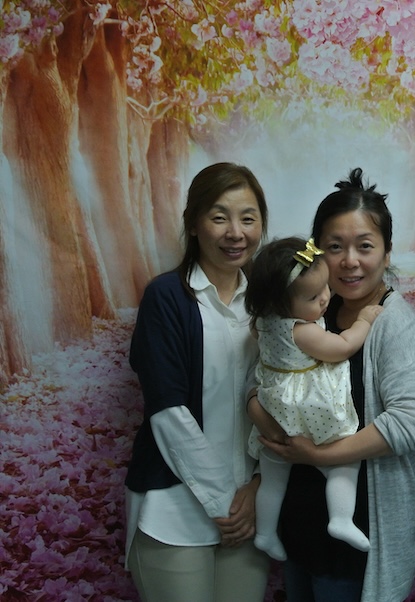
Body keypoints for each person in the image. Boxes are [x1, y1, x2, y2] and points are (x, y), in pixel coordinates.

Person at [248, 168, 415, 602]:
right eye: (334, 247)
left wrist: (317, 455)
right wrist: (262, 414)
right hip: (299, 523)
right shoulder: (307, 310)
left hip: (360, 535)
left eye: (365, 246)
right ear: (314, 254)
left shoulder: (391, 322)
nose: (350, 261)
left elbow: (411, 423)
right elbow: (263, 384)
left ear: (386, 252)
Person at [124, 163, 271, 602]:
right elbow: (168, 412)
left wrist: (257, 488)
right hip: (174, 511)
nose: (235, 233)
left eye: (248, 218)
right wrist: (224, 502)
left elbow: (286, 405)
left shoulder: (270, 304)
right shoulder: (167, 297)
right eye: (219, 217)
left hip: (248, 509)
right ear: (193, 224)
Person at [244, 236, 383, 560]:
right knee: (343, 461)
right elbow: (342, 347)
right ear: (280, 304)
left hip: (271, 406)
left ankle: (265, 533)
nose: (324, 298)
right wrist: (364, 321)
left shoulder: (261, 322)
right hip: (302, 410)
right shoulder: (302, 330)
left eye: (325, 287)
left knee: (273, 478)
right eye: (312, 296)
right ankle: (341, 518)